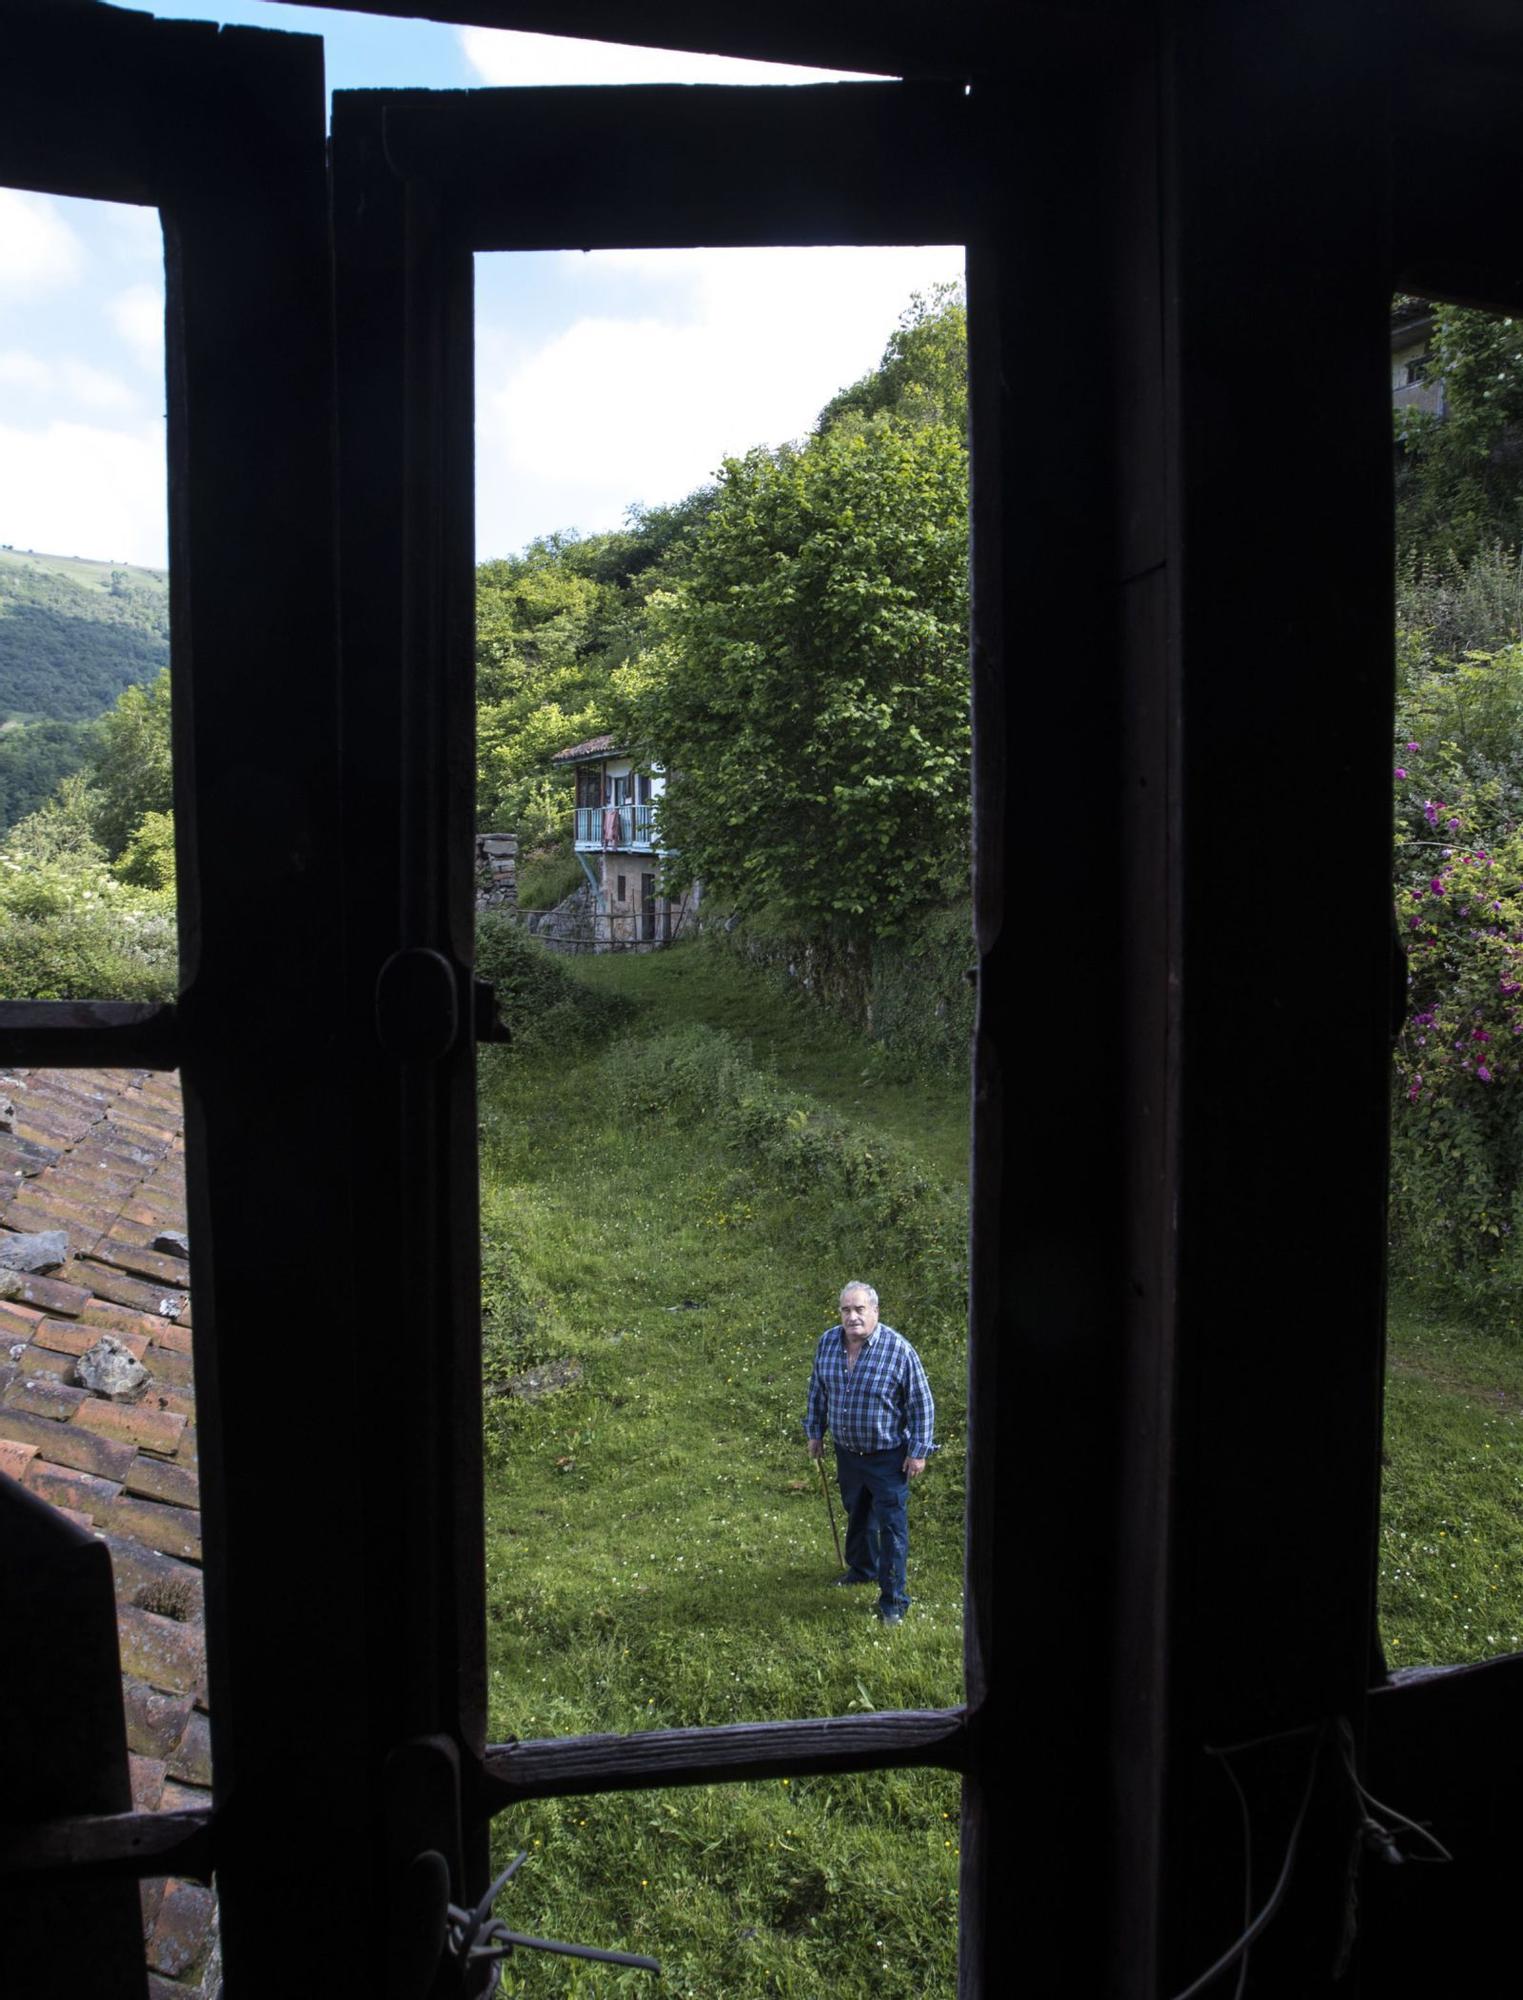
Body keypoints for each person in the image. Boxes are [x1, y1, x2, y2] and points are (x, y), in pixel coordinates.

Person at [804, 1281, 935, 1627]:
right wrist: (814, 1432)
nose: (853, 1316)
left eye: (860, 1309)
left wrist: (918, 1452)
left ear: (875, 1311)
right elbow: (818, 1389)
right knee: (857, 1514)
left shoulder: (898, 1350)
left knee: (892, 1528)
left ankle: (894, 1601)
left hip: (888, 1457)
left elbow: (922, 1404)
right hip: (847, 1453)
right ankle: (862, 1570)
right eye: (846, 1309)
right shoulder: (828, 1344)